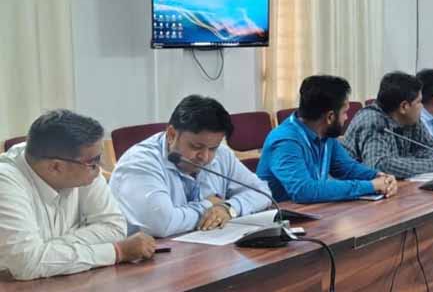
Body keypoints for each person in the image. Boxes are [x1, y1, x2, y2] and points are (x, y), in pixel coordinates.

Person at [0, 110, 155, 280]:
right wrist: (116, 251)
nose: (100, 168)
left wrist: (48, 251)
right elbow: (27, 263)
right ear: (56, 167)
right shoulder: (5, 181)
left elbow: (114, 227)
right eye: (94, 162)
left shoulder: (78, 163)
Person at [110, 95, 273, 238]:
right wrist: (208, 205)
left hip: (202, 248)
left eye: (213, 148)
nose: (205, 157)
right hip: (146, 256)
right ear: (172, 135)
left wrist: (228, 208)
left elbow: (263, 192)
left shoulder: (222, 154)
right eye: (196, 147)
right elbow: (162, 224)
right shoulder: (140, 163)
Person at [257, 75, 397, 203]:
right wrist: (370, 186)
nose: (346, 118)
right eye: (345, 112)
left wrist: (380, 177)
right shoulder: (285, 141)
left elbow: (347, 168)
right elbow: (304, 191)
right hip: (282, 217)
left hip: (314, 211)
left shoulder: (325, 134)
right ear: (330, 117)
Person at [342, 72, 433, 178]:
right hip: (354, 186)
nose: (422, 106)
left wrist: (400, 163)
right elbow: (379, 165)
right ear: (404, 107)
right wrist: (431, 165)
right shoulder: (372, 120)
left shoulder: (412, 119)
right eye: (419, 102)